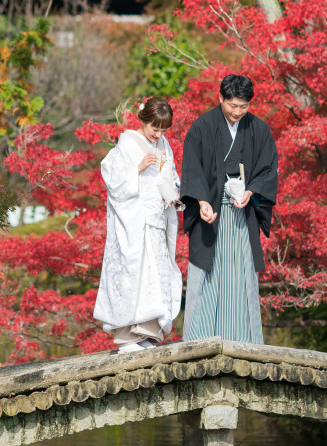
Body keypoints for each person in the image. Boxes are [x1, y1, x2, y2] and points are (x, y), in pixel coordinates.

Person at [179, 74, 278, 344]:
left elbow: (268, 169)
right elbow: (192, 169)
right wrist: (201, 201)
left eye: (243, 106)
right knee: (207, 278)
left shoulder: (259, 129)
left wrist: (251, 191)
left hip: (242, 214)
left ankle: (244, 343)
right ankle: (199, 342)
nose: (237, 112)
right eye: (232, 105)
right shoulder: (202, 126)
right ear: (220, 97)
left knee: (241, 277)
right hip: (210, 215)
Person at [93, 96, 183, 353]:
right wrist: (138, 168)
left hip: (156, 220)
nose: (158, 134)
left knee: (153, 277)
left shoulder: (165, 145)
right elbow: (113, 181)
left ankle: (145, 334)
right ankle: (126, 338)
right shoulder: (127, 144)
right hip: (133, 222)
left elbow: (171, 177)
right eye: (155, 127)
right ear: (144, 120)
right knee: (132, 274)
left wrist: (172, 194)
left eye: (163, 129)